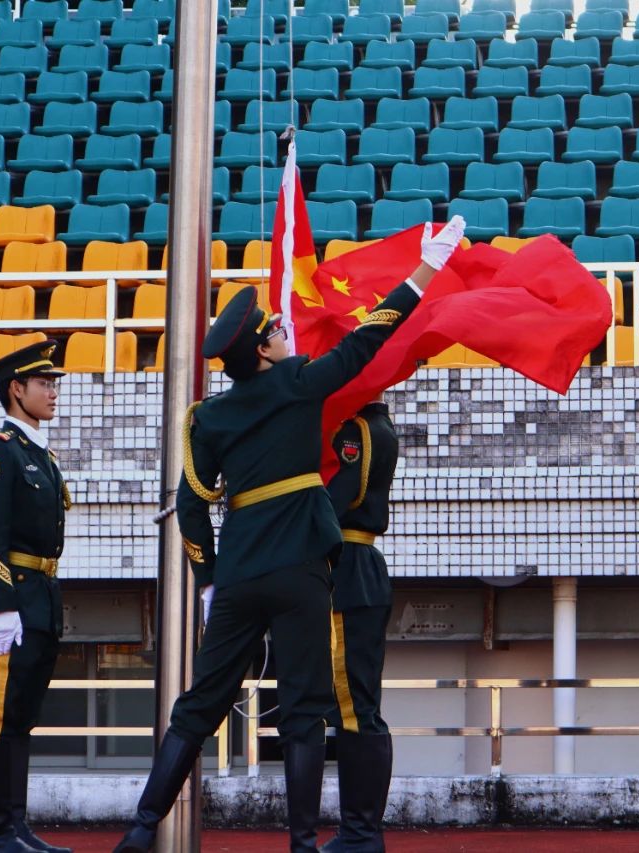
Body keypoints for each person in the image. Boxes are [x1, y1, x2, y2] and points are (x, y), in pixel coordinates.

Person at [114, 216, 467, 853]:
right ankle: (302, 843)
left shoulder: (208, 417)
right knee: (303, 712)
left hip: (238, 574)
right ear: (261, 351)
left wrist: (208, 578)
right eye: (275, 331)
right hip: (301, 568)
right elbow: (370, 336)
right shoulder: (300, 384)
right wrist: (425, 270)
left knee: (199, 705)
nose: (284, 333)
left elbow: (191, 505)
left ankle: (142, 828)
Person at [0, 340, 73, 853]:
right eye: (44, 384)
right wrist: (2, 605)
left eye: (53, 384)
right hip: (12, 602)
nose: (53, 392)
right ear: (16, 389)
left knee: (21, 721)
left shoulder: (40, 455)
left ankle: (17, 828)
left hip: (41, 599)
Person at [320, 397, 400, 853]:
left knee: (353, 708)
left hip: (347, 566)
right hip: (360, 564)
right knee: (358, 704)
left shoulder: (357, 429)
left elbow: (336, 499)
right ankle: (361, 831)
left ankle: (360, 832)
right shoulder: (379, 425)